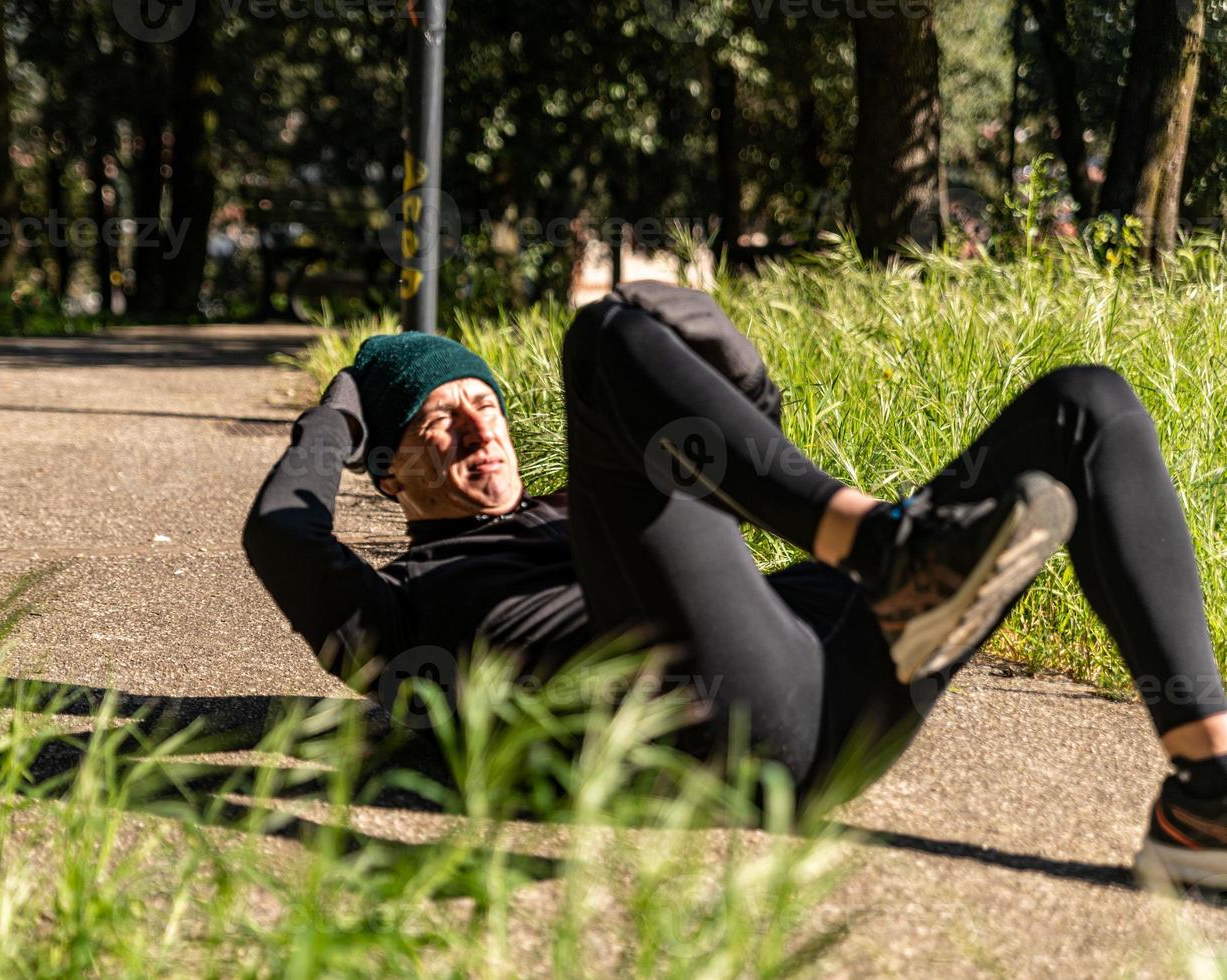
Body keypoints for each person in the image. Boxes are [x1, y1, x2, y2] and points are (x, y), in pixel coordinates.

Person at [244, 282, 1227, 889]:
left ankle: (1206, 793)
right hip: (723, 723)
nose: (481, 428)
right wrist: (338, 415)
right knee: (597, 345)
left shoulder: (579, 503)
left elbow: (731, 473)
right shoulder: (404, 603)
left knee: (1086, 405)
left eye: (485, 402)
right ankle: (887, 545)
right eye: (436, 421)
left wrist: (731, 365)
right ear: (389, 471)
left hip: (840, 656)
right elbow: (277, 537)